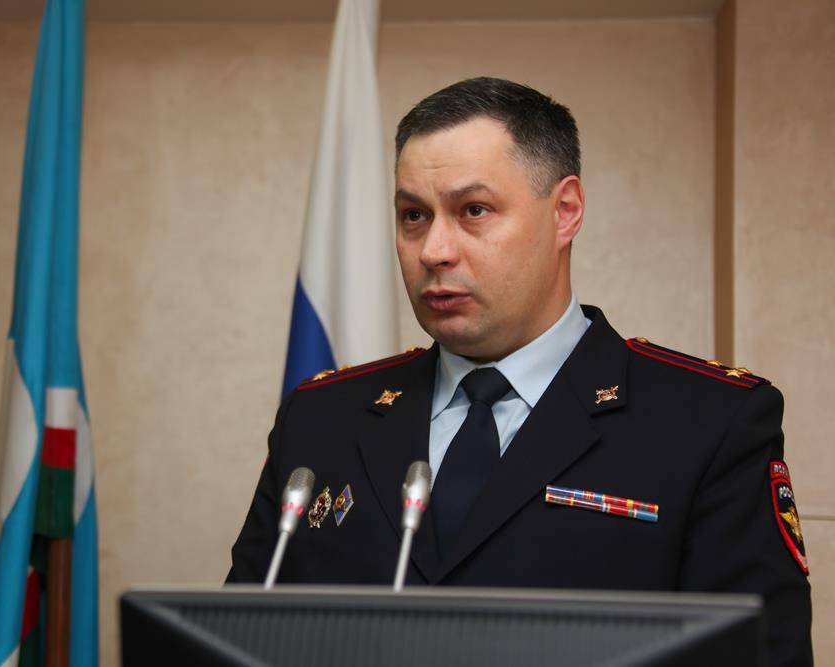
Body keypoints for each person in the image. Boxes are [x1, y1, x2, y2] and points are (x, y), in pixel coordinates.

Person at [226, 77, 812, 665]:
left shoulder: (709, 422)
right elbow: (234, 639)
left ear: (565, 212)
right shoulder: (322, 417)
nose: (433, 250)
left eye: (473, 211)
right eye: (413, 215)